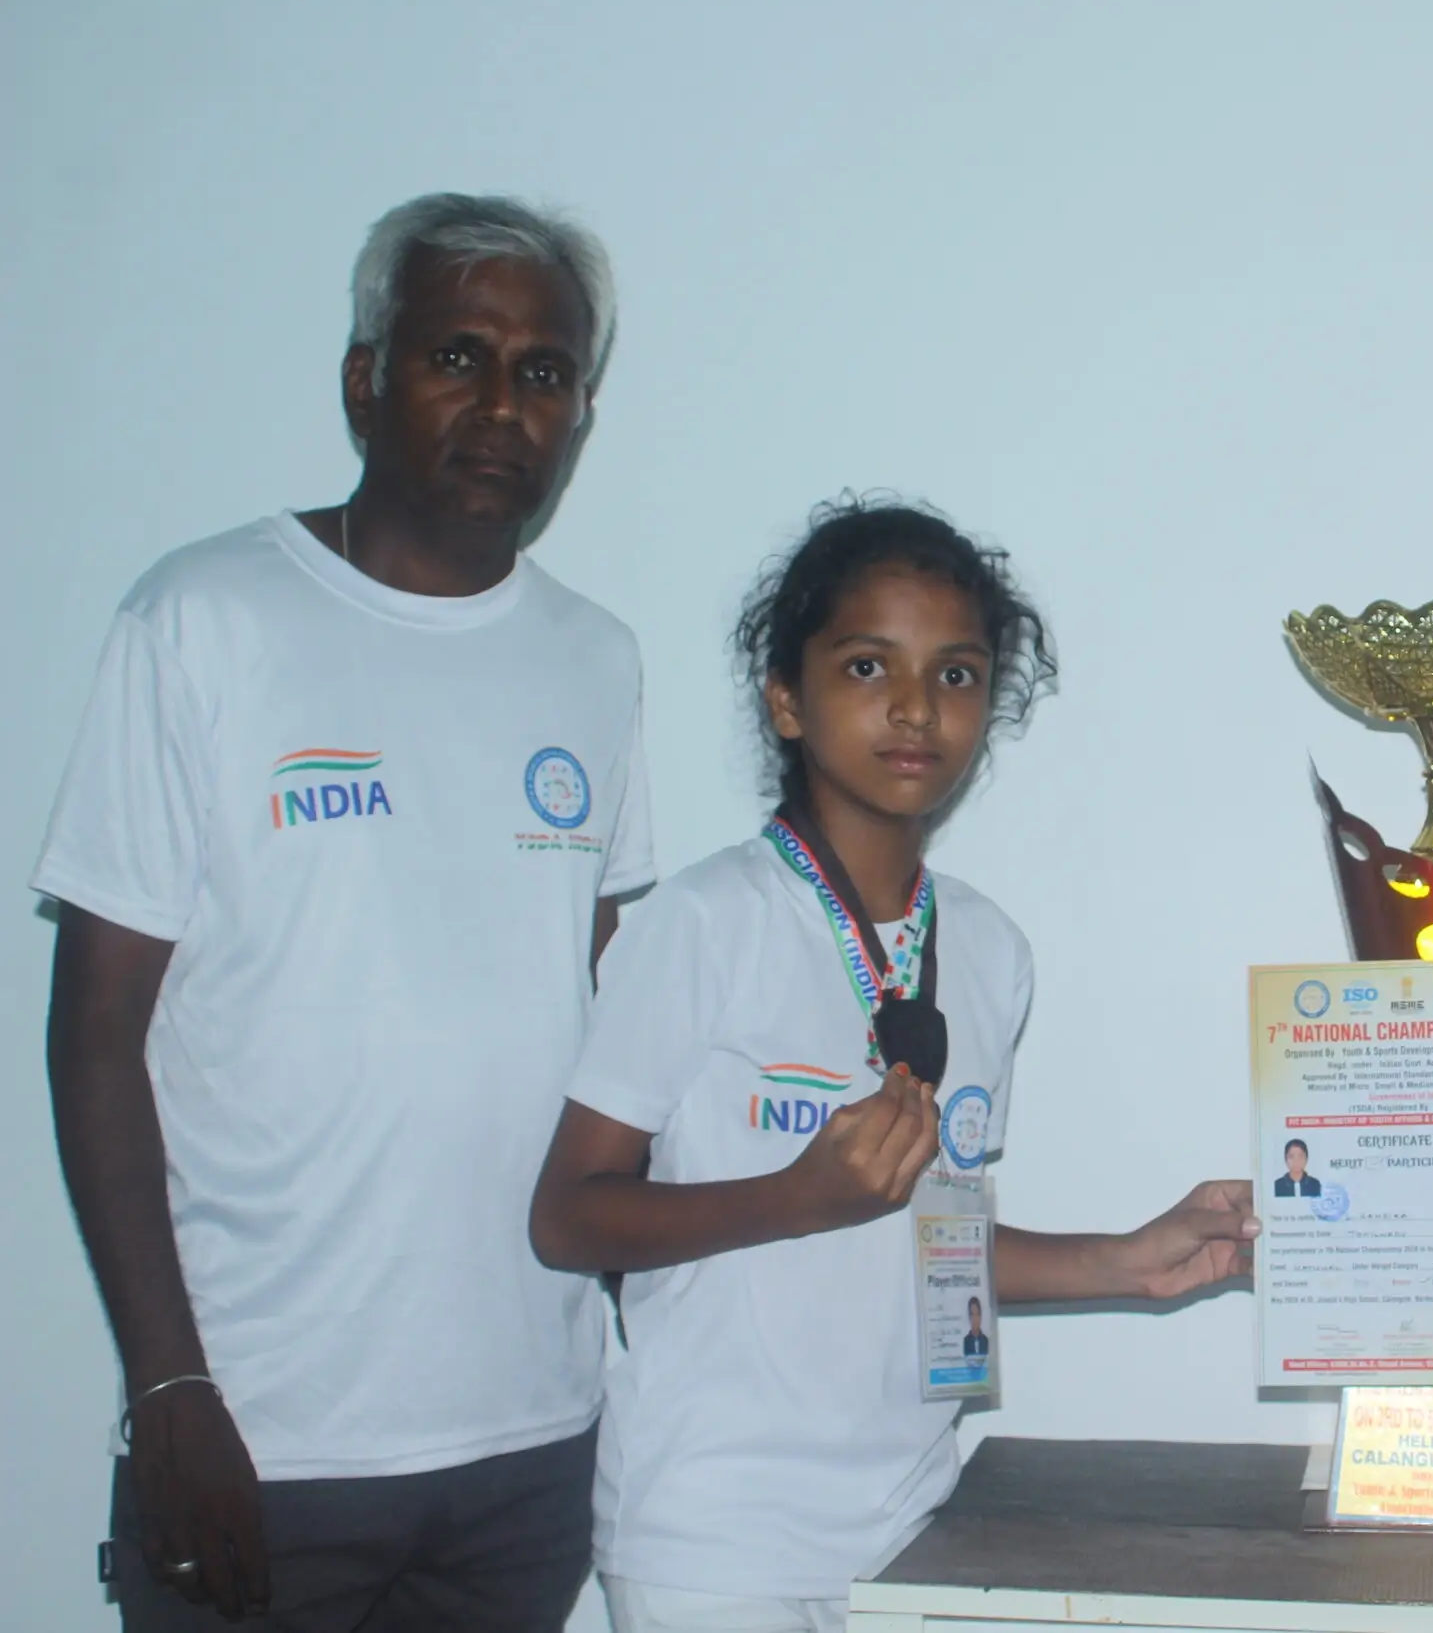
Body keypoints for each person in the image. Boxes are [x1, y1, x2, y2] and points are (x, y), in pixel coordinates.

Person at [38, 194, 651, 1630]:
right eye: (457, 355)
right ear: (365, 379)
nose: (501, 405)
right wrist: (168, 1383)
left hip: (530, 1442)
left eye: (544, 372)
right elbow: (97, 1033)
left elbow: (616, 1032)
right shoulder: (203, 619)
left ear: (579, 415)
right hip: (259, 1437)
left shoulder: (595, 659)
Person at [528, 498, 1258, 1633]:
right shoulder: (704, 922)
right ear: (787, 698)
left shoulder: (989, 951)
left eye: (956, 675)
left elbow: (929, 1246)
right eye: (868, 665)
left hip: (913, 1521)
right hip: (714, 1536)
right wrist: (795, 1195)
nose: (916, 706)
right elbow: (568, 1217)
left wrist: (1131, 1259)